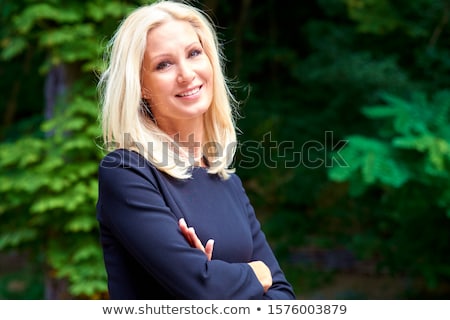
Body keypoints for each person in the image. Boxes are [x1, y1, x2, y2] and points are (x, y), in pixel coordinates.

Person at [96, 0, 296, 299]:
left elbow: (283, 297)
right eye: (164, 64)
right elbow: (204, 289)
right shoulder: (126, 172)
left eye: (194, 53)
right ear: (141, 86)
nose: (187, 73)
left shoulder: (226, 181)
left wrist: (220, 277)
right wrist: (256, 273)